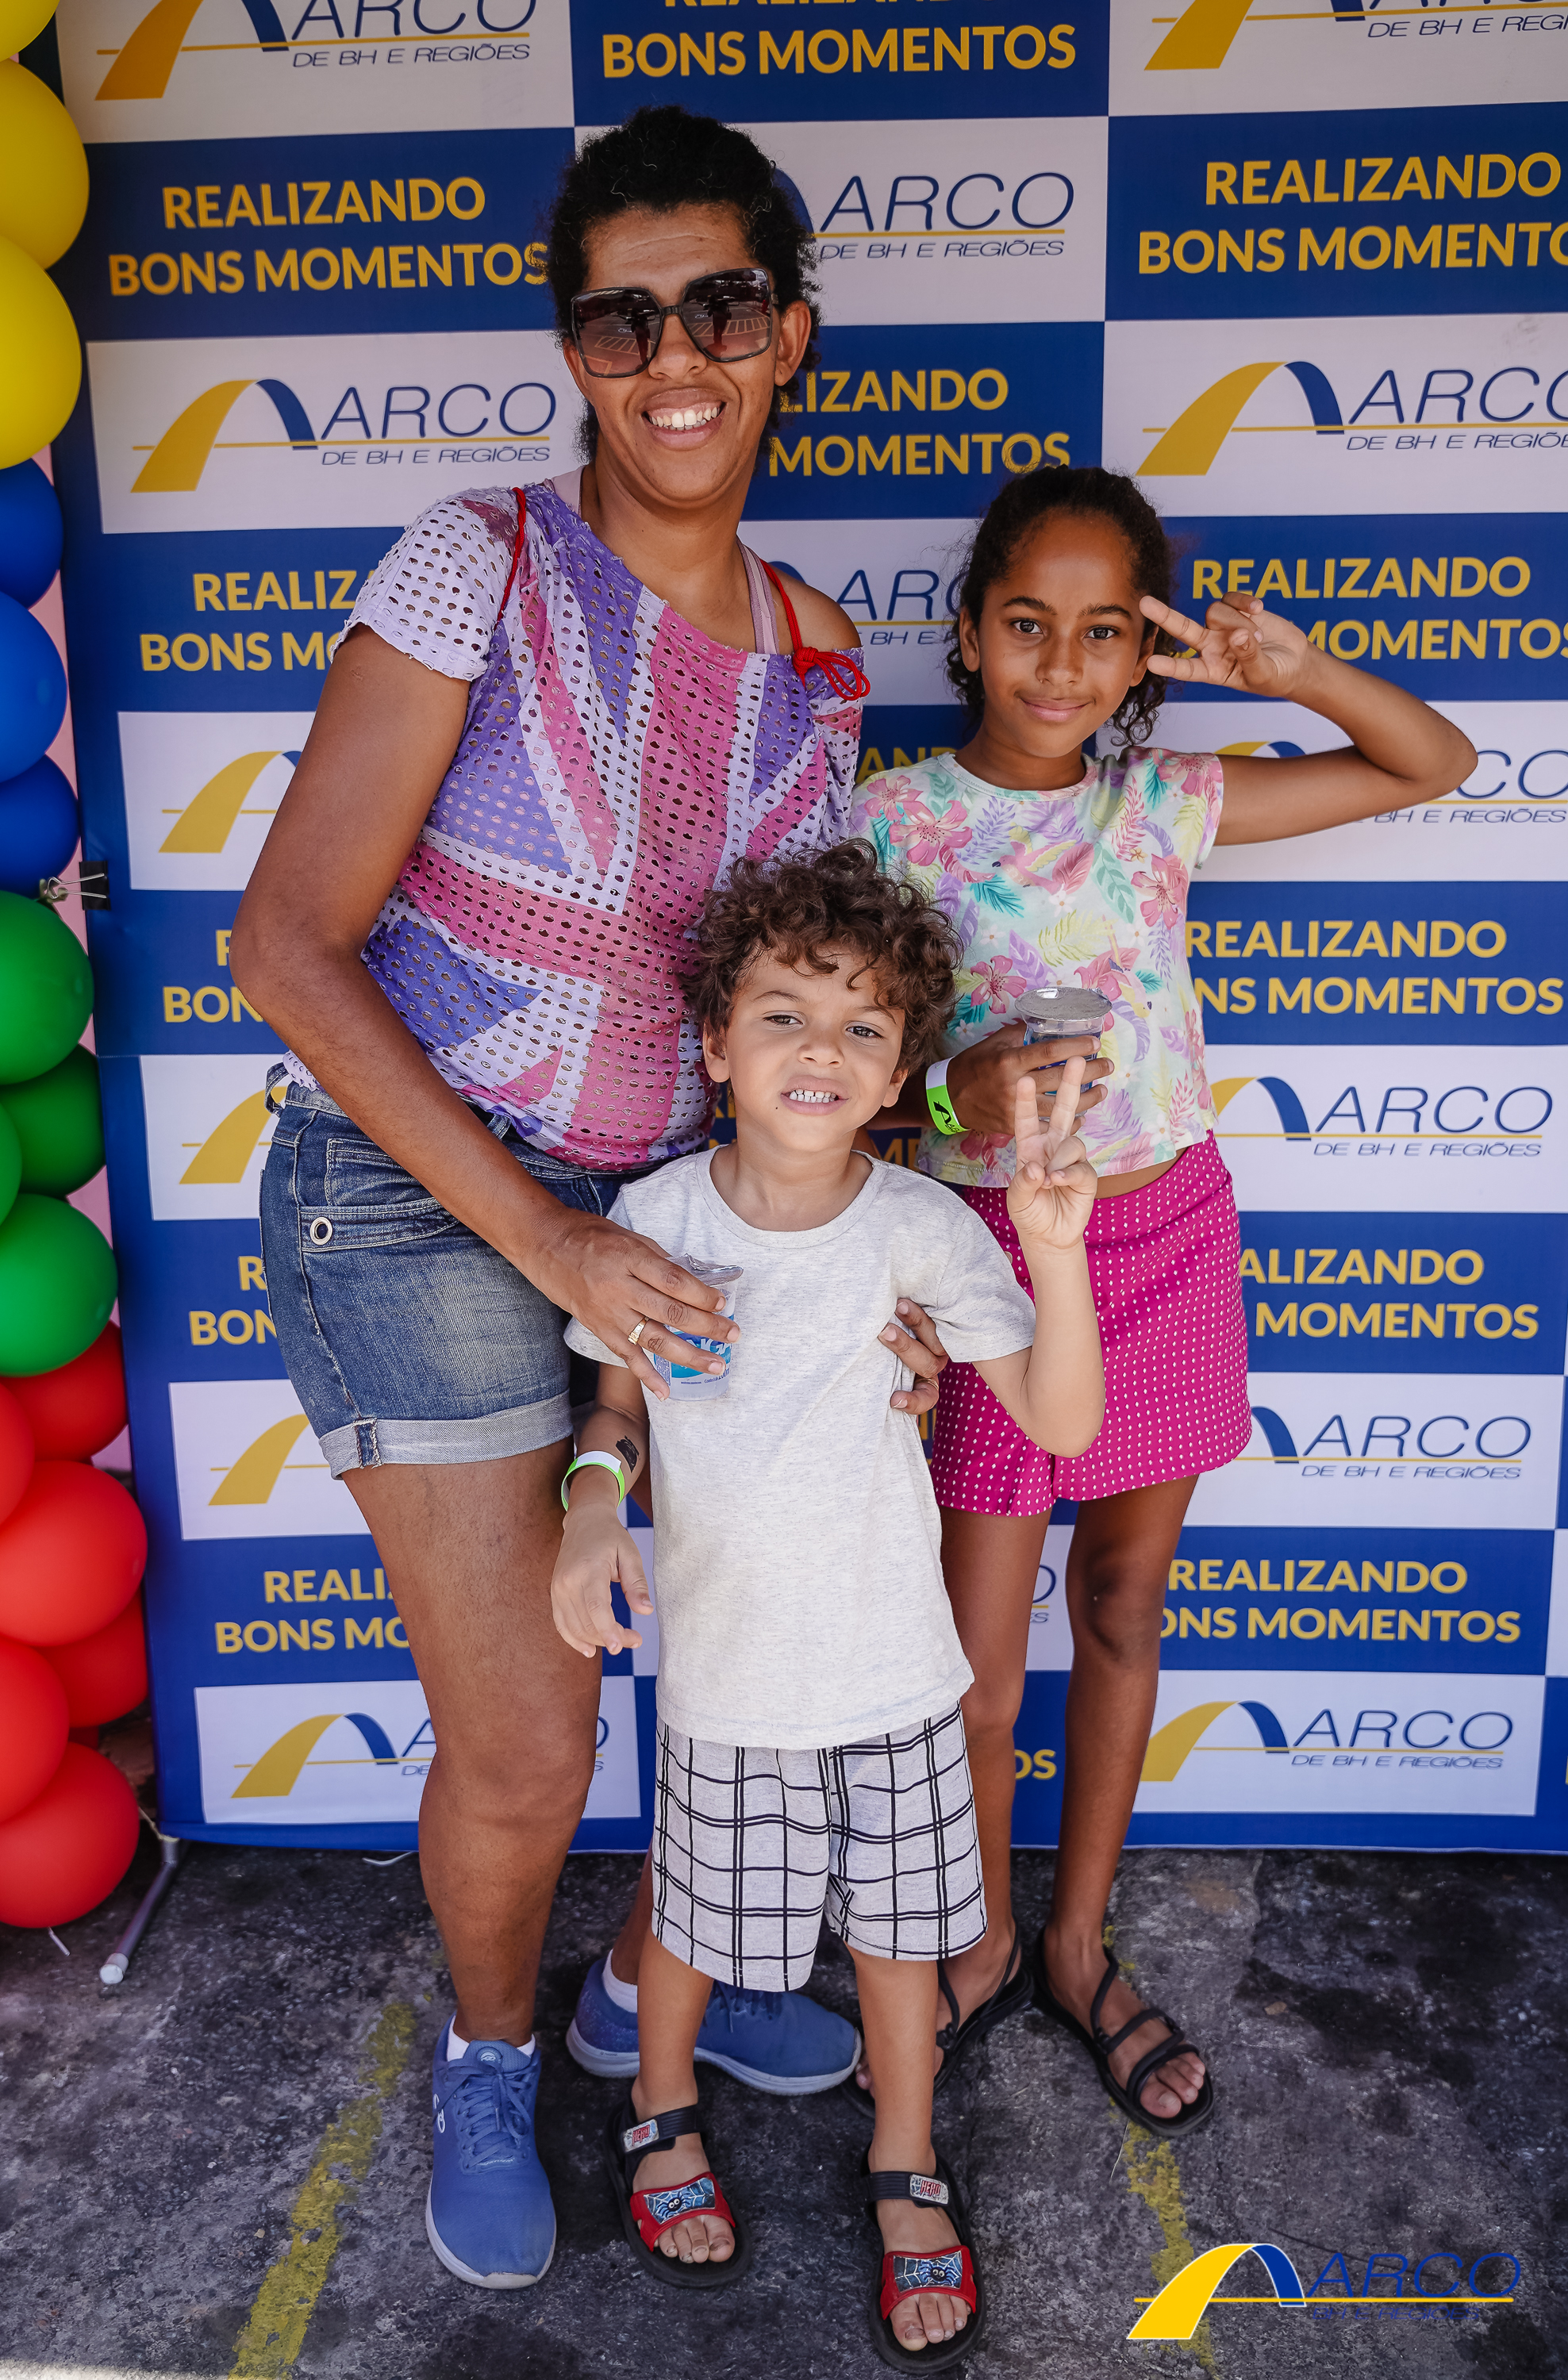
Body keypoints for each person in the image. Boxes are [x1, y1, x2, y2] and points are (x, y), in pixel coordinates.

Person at [229, 107, 959, 2293]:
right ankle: (485, 2052)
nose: (673, 357)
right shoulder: (479, 559)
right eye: (621, 319)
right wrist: (547, 1239)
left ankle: (651, 1990)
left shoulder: (817, 652)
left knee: (742, 1662)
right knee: (535, 1733)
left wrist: (886, 1263)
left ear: (787, 335)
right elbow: (285, 948)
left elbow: (803, 998)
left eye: (718, 307)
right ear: (576, 350)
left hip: (685, 1218)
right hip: (418, 1202)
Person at [851, 465, 1478, 2136]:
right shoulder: (890, 824)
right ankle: (977, 1937)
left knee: (1124, 1612)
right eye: (1026, 624)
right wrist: (952, 1094)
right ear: (966, 633)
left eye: (1103, 633)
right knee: (979, 1676)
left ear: (1144, 655)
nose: (1061, 665)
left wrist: (1295, 669)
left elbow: (1433, 763)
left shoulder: (1165, 803)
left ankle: (1073, 1945)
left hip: (1170, 1240)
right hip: (989, 1268)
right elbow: (829, 1082)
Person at [551, 844, 1105, 2364]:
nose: (821, 1049)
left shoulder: (924, 1229)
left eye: (864, 1026)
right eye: (784, 1014)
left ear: (903, 1071)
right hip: (729, 1682)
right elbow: (615, 1407)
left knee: (900, 1944)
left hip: (897, 1678)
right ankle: (662, 2111)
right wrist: (589, 1505)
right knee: (690, 1919)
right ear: (715, 1046)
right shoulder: (652, 1217)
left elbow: (1061, 1422)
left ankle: (904, 2160)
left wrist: (1056, 1254)